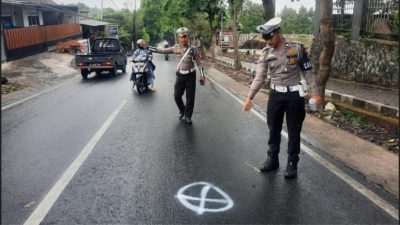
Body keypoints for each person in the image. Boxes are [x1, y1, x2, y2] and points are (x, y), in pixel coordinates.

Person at [242, 17, 321, 179]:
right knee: (273, 128)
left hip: (294, 95)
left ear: (279, 32)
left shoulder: (297, 49)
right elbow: (260, 77)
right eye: (264, 38)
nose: (267, 41)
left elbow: (307, 72)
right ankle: (273, 158)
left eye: (269, 37)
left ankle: (292, 163)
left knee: (293, 130)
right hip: (275, 95)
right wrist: (249, 96)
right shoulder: (265, 53)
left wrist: (315, 93)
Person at [149, 27, 205, 124]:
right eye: (181, 37)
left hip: (191, 75)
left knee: (190, 97)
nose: (183, 39)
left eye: (185, 37)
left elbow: (199, 63)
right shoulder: (175, 48)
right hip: (180, 75)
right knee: (176, 96)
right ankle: (182, 110)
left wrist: (202, 75)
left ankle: (188, 116)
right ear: (179, 38)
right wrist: (147, 47)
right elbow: (162, 50)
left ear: (188, 38)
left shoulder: (193, 49)